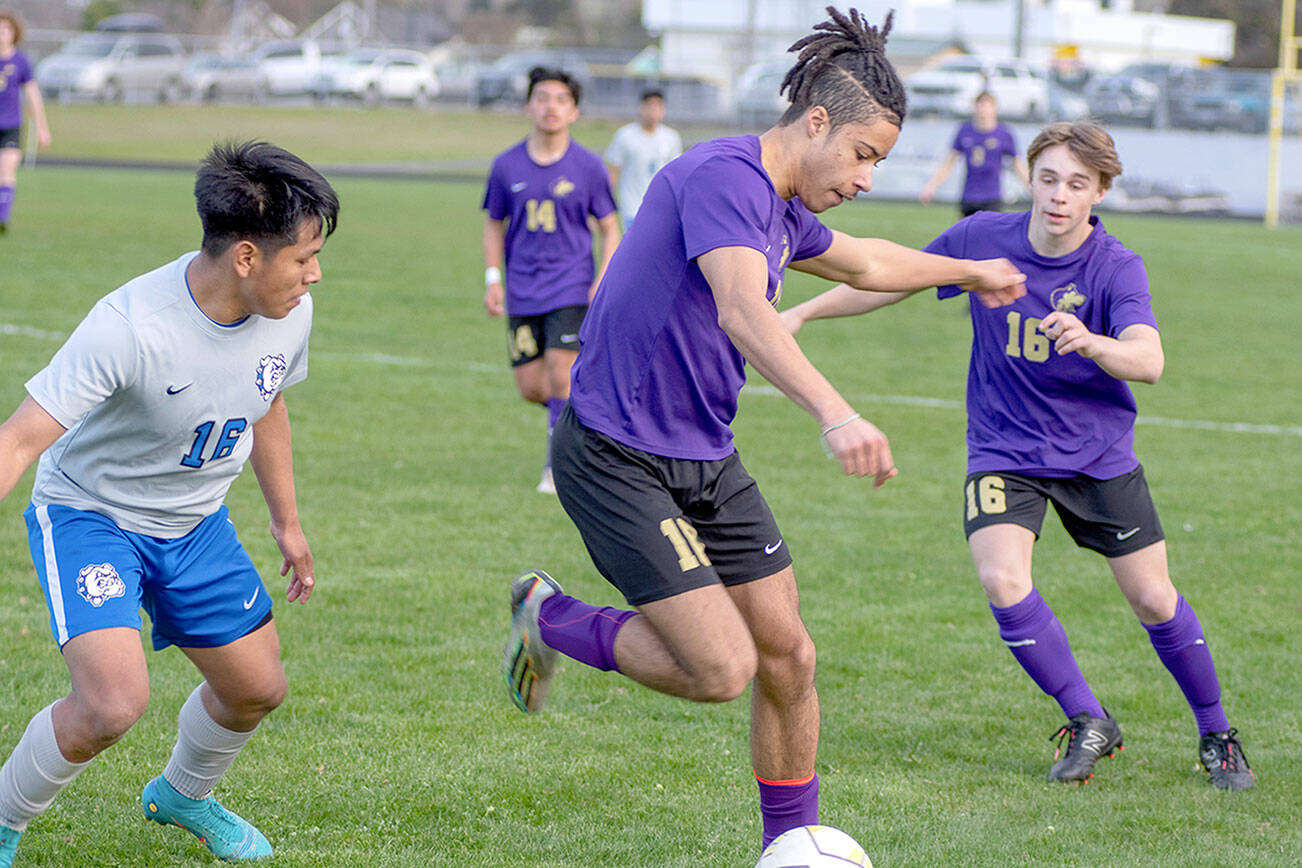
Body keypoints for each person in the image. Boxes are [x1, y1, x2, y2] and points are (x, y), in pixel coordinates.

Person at [500, 7, 1026, 851]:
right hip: (614, 454)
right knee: (721, 670)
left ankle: (792, 847)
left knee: (791, 656)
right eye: (862, 155)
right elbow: (744, 307)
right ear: (816, 121)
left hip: (705, 455)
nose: (865, 177)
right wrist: (837, 412)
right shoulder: (724, 178)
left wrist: (966, 268)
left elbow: (867, 260)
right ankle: (551, 617)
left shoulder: (782, 207)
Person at [781, 121, 1254, 790]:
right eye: (1050, 178)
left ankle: (1216, 733)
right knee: (1002, 578)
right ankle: (1088, 718)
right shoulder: (982, 239)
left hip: (1097, 457)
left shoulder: (1115, 266)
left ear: (1099, 193)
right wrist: (802, 315)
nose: (1060, 195)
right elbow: (892, 279)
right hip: (1005, 451)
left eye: (1078, 184)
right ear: (1029, 177)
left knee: (1153, 597)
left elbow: (1148, 361)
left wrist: (1093, 342)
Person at [0, 140, 339, 866]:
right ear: (246, 257)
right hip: (93, 517)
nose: (314, 275)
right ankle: (3, 819)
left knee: (256, 689)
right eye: (303, 257)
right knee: (112, 704)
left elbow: (267, 400)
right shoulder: (128, 327)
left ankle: (183, 793)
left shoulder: (290, 314)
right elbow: (20, 440)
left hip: (195, 522)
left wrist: (288, 522)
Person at [482, 66, 620, 495]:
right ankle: (591, 420)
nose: (550, 107)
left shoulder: (589, 167)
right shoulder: (506, 166)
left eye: (561, 99)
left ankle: (556, 469)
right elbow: (493, 224)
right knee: (532, 387)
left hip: (572, 287)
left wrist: (604, 276)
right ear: (529, 106)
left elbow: (610, 226)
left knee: (562, 377)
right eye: (542, 98)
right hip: (523, 290)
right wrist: (493, 279)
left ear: (574, 111)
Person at [918, 91, 1028, 217]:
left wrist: (1031, 187)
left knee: (990, 234)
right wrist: (931, 186)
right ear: (975, 107)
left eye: (988, 106)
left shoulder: (1004, 134)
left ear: (995, 108)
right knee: (966, 235)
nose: (984, 110)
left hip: (992, 197)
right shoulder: (965, 131)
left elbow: (1017, 164)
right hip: (969, 197)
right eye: (981, 105)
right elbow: (949, 163)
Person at [0, 8, 51, 234]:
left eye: (6, 29)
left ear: (14, 32)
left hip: (10, 126)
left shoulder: (21, 62)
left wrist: (42, 128)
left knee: (7, 171)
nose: (2, 33)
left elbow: (33, 97)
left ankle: (2, 219)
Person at [604, 88, 682, 229]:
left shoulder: (671, 138)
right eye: (650, 106)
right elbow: (613, 173)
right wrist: (606, 206)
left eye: (658, 106)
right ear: (641, 108)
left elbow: (676, 175)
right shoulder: (625, 136)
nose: (654, 111)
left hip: (662, 210)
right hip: (632, 209)